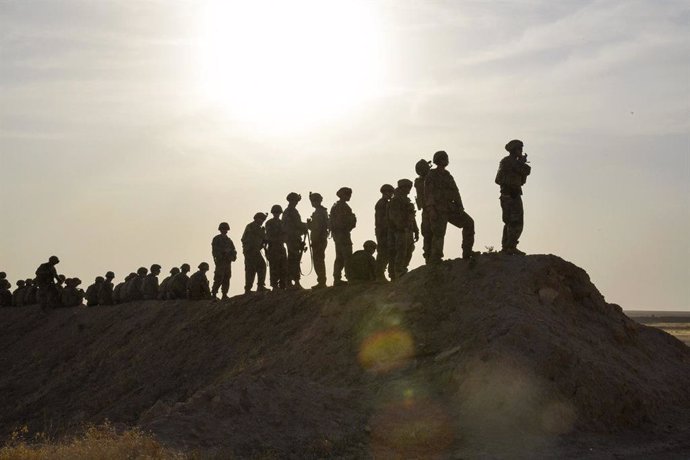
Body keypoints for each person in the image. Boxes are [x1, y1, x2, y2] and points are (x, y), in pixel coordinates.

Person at [425, 150, 476, 264]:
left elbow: (455, 192)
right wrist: (431, 209)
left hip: (451, 208)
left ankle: (467, 252)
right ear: (438, 160)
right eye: (444, 158)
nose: (446, 160)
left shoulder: (448, 175)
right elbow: (429, 193)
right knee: (439, 234)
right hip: (438, 209)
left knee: (469, 223)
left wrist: (460, 206)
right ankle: (435, 259)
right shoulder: (431, 175)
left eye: (446, 158)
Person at [495, 139, 531, 255]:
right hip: (508, 195)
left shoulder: (517, 163)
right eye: (519, 149)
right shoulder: (506, 162)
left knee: (515, 222)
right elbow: (498, 179)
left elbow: (524, 176)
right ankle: (509, 247)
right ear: (514, 150)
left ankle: (509, 246)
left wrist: (521, 163)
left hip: (514, 194)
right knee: (512, 221)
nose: (521, 151)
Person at [388, 179, 419, 279]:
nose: (408, 189)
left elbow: (412, 216)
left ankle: (403, 269)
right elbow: (393, 216)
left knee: (409, 250)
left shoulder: (406, 200)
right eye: (406, 187)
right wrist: (400, 226)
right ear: (402, 188)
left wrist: (416, 229)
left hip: (408, 229)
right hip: (400, 230)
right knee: (401, 250)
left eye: (409, 187)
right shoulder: (396, 200)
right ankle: (398, 271)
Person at [329, 187, 356, 286]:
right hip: (343, 235)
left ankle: (337, 279)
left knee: (339, 257)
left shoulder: (337, 206)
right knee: (347, 257)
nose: (349, 196)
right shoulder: (342, 207)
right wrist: (352, 220)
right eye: (347, 194)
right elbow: (343, 222)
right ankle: (350, 278)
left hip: (338, 235)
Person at [282, 193, 308, 289]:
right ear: (291, 200)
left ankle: (293, 281)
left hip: (294, 238)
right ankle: (292, 282)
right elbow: (296, 224)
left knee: (294, 259)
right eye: (295, 200)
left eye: (297, 200)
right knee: (294, 259)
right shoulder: (290, 211)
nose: (296, 202)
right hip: (292, 238)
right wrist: (305, 226)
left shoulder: (290, 211)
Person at [242, 213, 269, 294]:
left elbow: (264, 239)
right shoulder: (251, 226)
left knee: (257, 267)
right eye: (261, 219)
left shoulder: (258, 228)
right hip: (250, 251)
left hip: (255, 251)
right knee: (253, 269)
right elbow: (258, 235)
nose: (262, 221)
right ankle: (251, 288)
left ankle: (257, 287)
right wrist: (263, 232)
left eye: (263, 220)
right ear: (256, 218)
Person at [307, 192, 330, 289]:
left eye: (313, 201)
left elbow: (318, 228)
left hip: (319, 240)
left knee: (318, 261)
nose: (312, 203)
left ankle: (321, 281)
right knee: (318, 260)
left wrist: (309, 225)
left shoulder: (320, 213)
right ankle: (321, 281)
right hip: (318, 239)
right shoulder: (320, 212)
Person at [211, 222, 237, 299]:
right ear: (220, 229)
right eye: (223, 229)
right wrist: (223, 252)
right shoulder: (216, 239)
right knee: (219, 278)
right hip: (220, 261)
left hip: (227, 261)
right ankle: (214, 293)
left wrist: (232, 256)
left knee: (227, 277)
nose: (225, 230)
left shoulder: (229, 240)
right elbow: (215, 250)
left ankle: (224, 294)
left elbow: (233, 250)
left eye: (226, 229)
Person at [265, 205, 288, 290]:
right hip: (273, 247)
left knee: (283, 267)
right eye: (275, 212)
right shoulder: (269, 223)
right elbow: (269, 235)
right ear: (273, 213)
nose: (277, 214)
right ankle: (274, 285)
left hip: (281, 247)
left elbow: (285, 234)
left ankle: (283, 285)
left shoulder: (282, 223)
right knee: (274, 267)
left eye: (278, 212)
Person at [374, 184, 394, 281]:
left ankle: (380, 274)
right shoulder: (382, 204)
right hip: (382, 231)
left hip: (385, 230)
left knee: (386, 252)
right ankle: (379, 275)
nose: (391, 194)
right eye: (390, 192)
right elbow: (381, 220)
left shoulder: (385, 203)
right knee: (383, 253)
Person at [414, 159, 432, 263]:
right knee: (431, 233)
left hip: (427, 211)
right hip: (430, 210)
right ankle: (431, 257)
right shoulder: (424, 181)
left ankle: (429, 257)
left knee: (428, 234)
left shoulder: (419, 182)